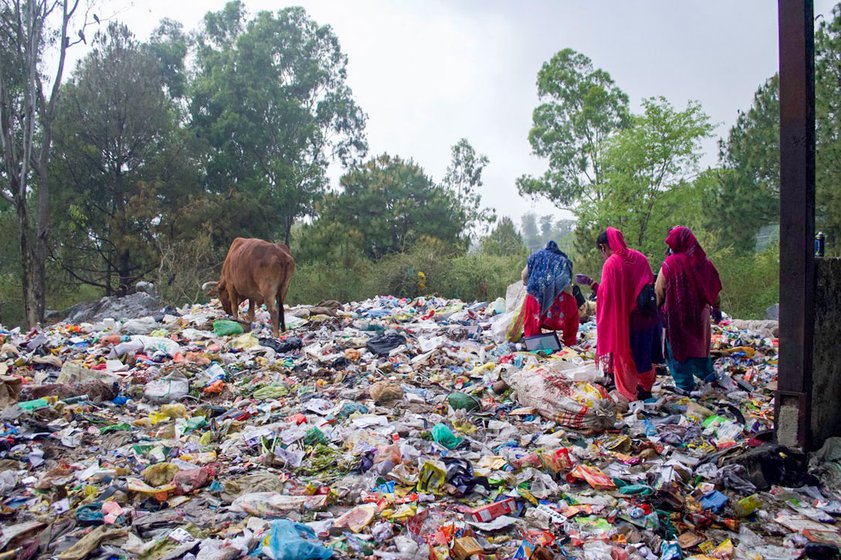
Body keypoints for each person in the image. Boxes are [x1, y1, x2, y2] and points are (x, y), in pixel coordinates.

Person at [579, 227, 660, 402]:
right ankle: (646, 387)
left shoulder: (611, 264)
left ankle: (628, 394)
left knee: (625, 356)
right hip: (646, 316)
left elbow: (606, 296)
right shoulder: (640, 258)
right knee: (645, 353)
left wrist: (593, 285)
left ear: (603, 246)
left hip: (626, 319)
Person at [655, 226, 722, 394]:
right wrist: (716, 307)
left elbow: (659, 291)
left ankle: (685, 384)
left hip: (676, 316)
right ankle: (708, 376)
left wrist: (655, 310)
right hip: (700, 315)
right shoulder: (703, 262)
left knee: (678, 349)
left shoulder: (670, 264)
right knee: (699, 346)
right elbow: (713, 288)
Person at [519, 240, 579, 346]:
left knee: (532, 315)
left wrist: (531, 286)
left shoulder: (535, 257)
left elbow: (524, 275)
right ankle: (570, 341)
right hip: (559, 300)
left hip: (537, 298)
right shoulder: (564, 261)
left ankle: (533, 342)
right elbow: (567, 283)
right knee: (572, 315)